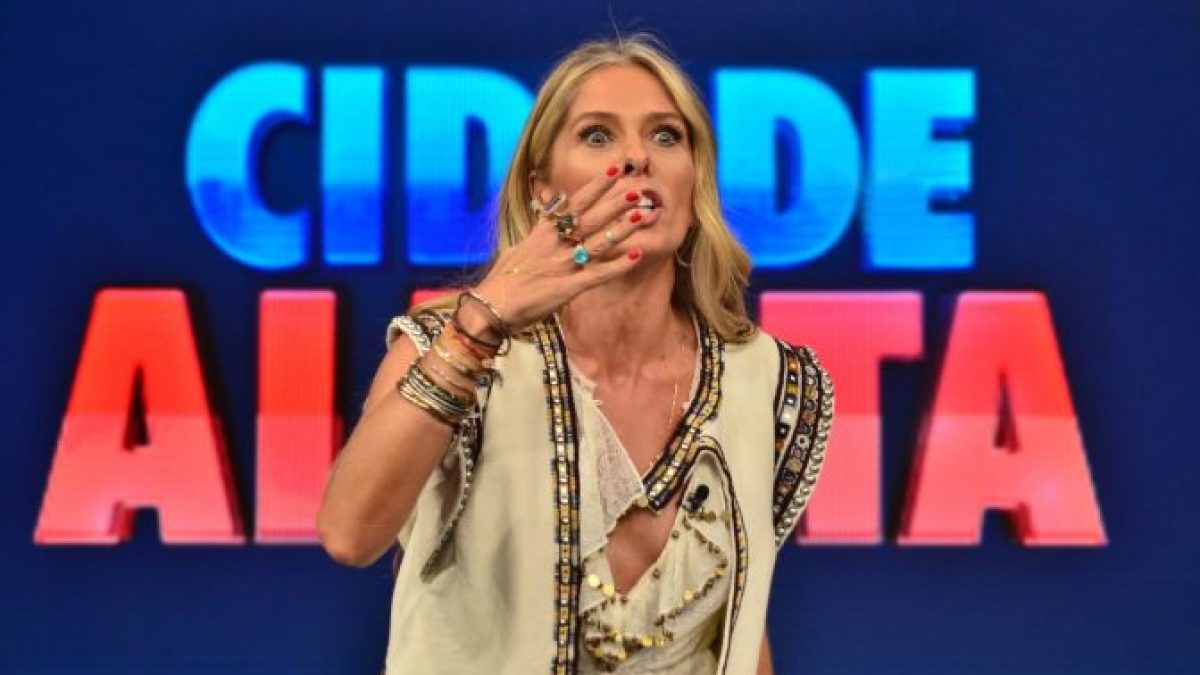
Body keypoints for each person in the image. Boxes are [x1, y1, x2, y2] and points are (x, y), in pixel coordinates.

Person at [316, 34, 835, 675]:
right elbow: (349, 534)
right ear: (543, 190)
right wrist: (480, 325)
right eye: (597, 135)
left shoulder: (771, 384)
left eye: (666, 136)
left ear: (695, 180)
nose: (637, 158)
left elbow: (737, 630)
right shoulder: (451, 348)